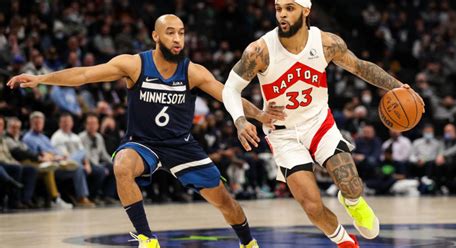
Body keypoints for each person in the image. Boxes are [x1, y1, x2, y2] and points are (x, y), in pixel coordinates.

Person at [8, 14, 284, 248]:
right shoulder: (135, 65)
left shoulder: (193, 71)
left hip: (180, 145)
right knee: (122, 164)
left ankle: (248, 242)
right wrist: (41, 78)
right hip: (143, 144)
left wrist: (259, 115)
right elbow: (84, 75)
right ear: (155, 36)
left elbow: (227, 96)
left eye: (182, 33)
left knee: (225, 202)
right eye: (170, 33)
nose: (177, 39)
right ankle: (146, 238)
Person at [222, 0, 424, 247]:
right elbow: (230, 88)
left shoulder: (327, 43)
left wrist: (397, 86)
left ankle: (352, 201)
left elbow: (360, 67)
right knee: (311, 205)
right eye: (278, 9)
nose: (282, 14)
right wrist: (242, 120)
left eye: (289, 8)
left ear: (306, 10)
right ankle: (345, 242)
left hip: (318, 123)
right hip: (283, 133)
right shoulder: (260, 51)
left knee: (352, 184)